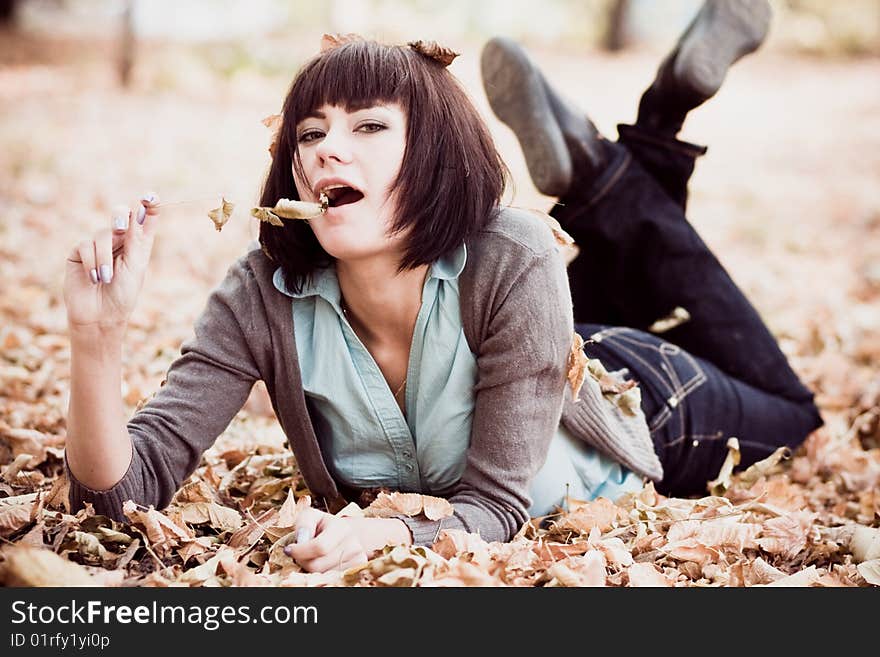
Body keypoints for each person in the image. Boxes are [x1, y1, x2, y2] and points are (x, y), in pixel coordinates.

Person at [62, 1, 818, 575]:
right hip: (529, 351)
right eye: (311, 133)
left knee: (797, 413)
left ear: (432, 156)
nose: (329, 151)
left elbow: (493, 509)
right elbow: (123, 493)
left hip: (644, 403)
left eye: (368, 128)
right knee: (584, 275)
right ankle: (625, 153)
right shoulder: (262, 292)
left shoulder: (513, 254)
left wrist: (385, 532)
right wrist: (96, 340)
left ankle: (640, 136)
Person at [480, 0, 822, 506]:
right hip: (603, 382)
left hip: (563, 353)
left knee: (637, 288)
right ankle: (637, 134)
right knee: (797, 419)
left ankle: (630, 142)